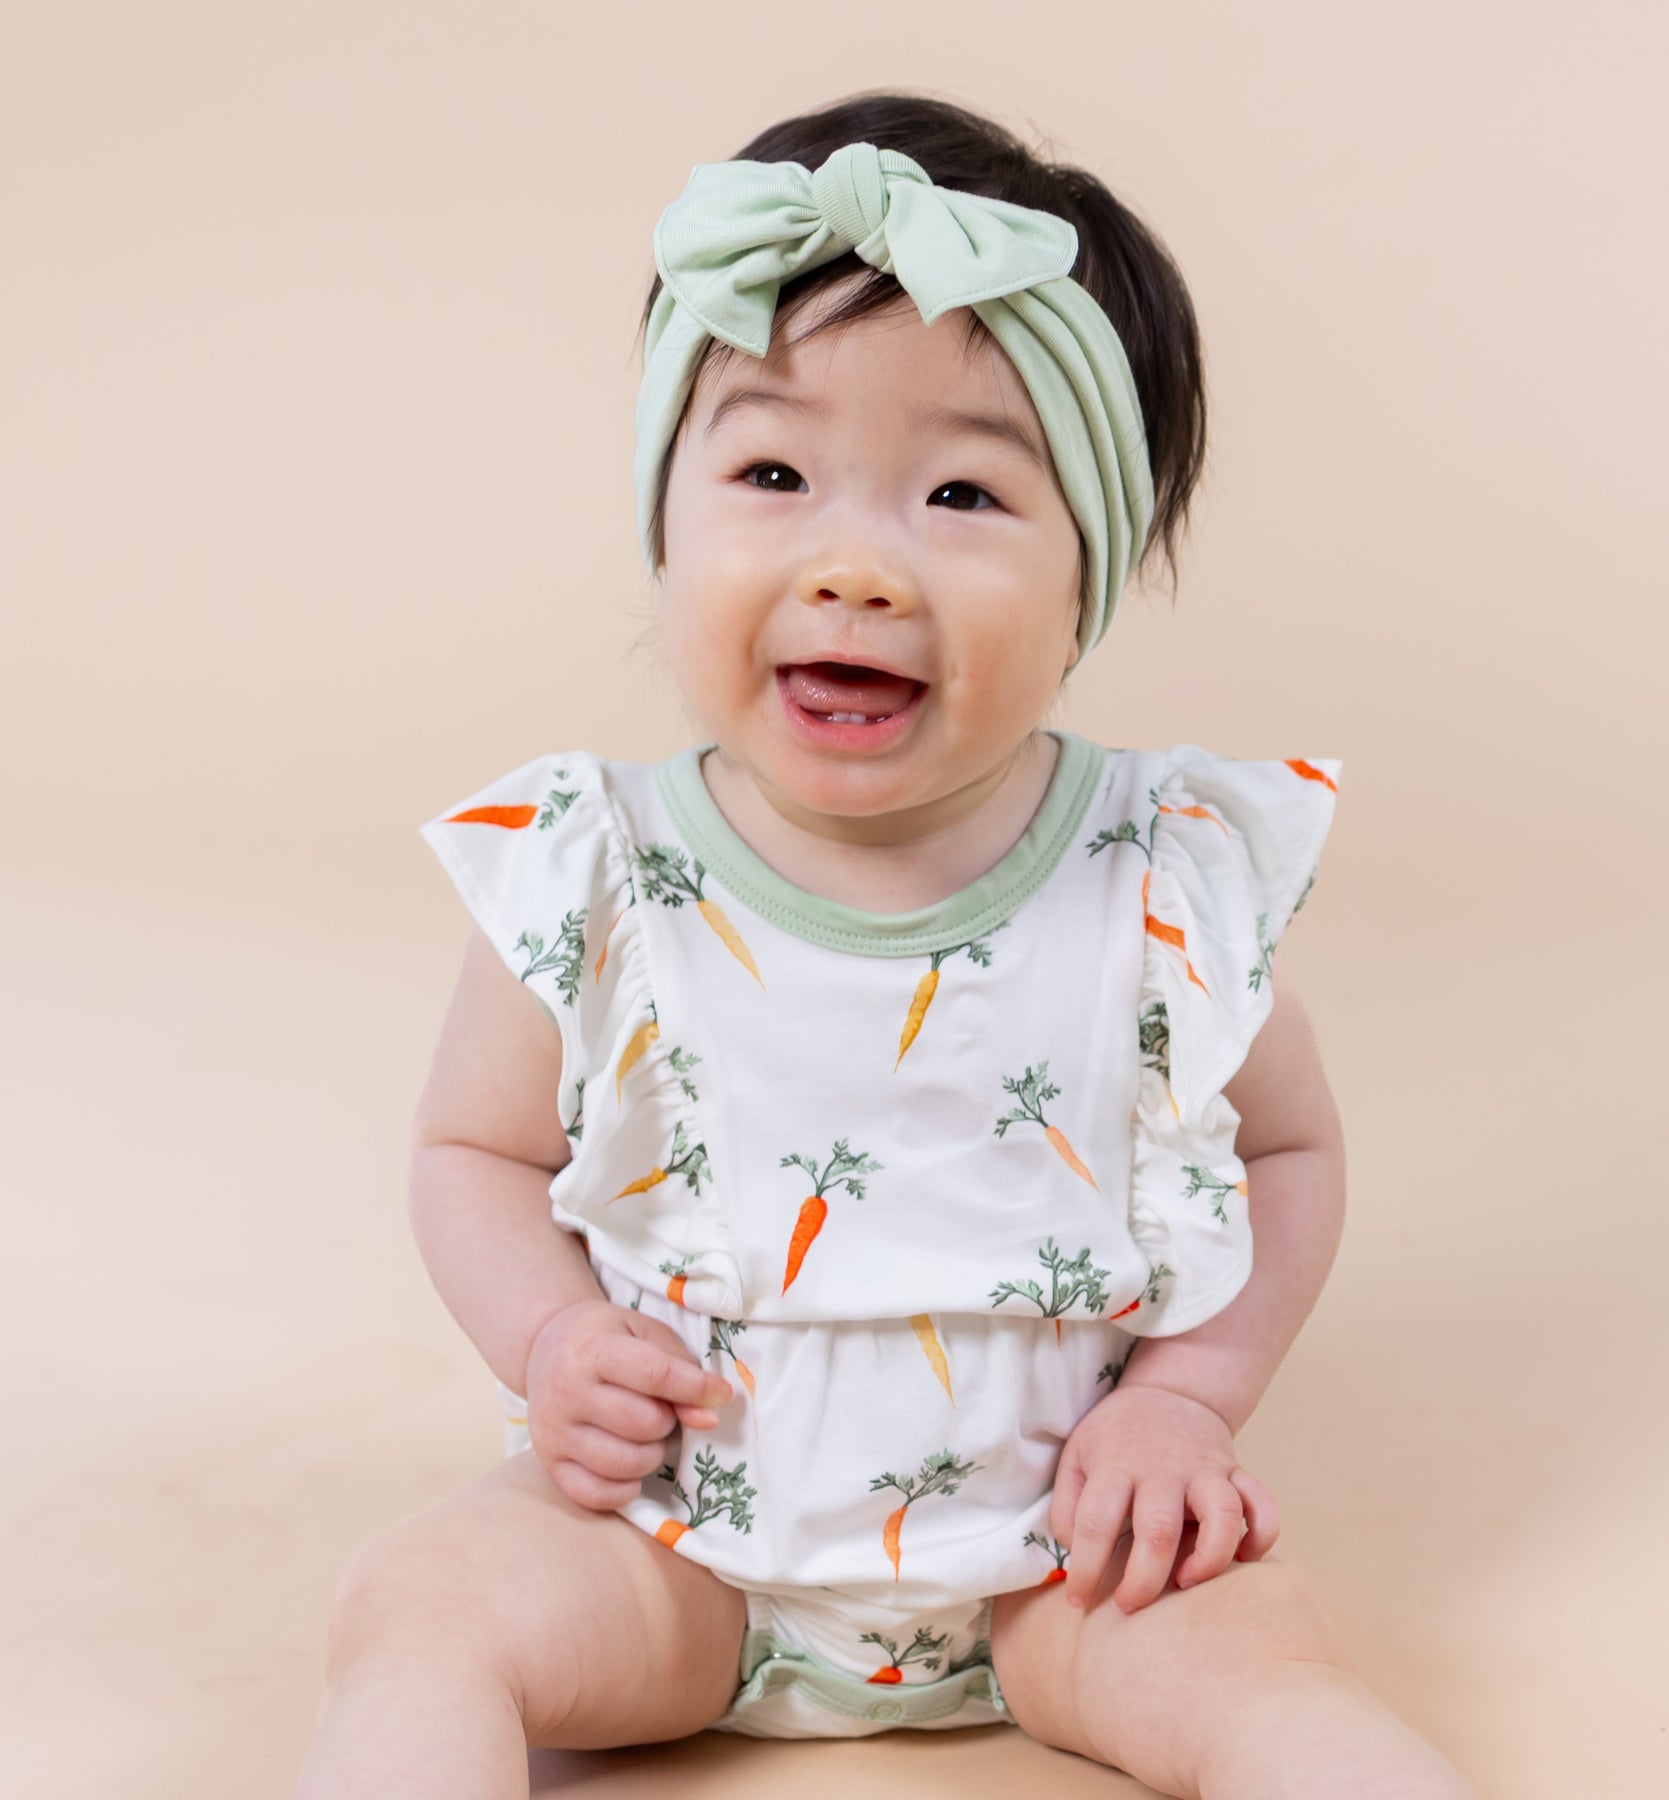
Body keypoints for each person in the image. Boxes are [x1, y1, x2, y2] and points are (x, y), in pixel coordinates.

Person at [292, 91, 1478, 1800]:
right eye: (772, 473)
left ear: (1095, 568)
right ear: (666, 515)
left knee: (1265, 1669)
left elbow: (1288, 1148)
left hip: (1061, 1561)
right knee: (417, 1606)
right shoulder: (594, 869)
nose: (856, 564)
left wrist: (1185, 1406)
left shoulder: (1160, 868)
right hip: (670, 1547)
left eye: (960, 493)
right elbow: (469, 1151)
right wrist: (554, 1346)